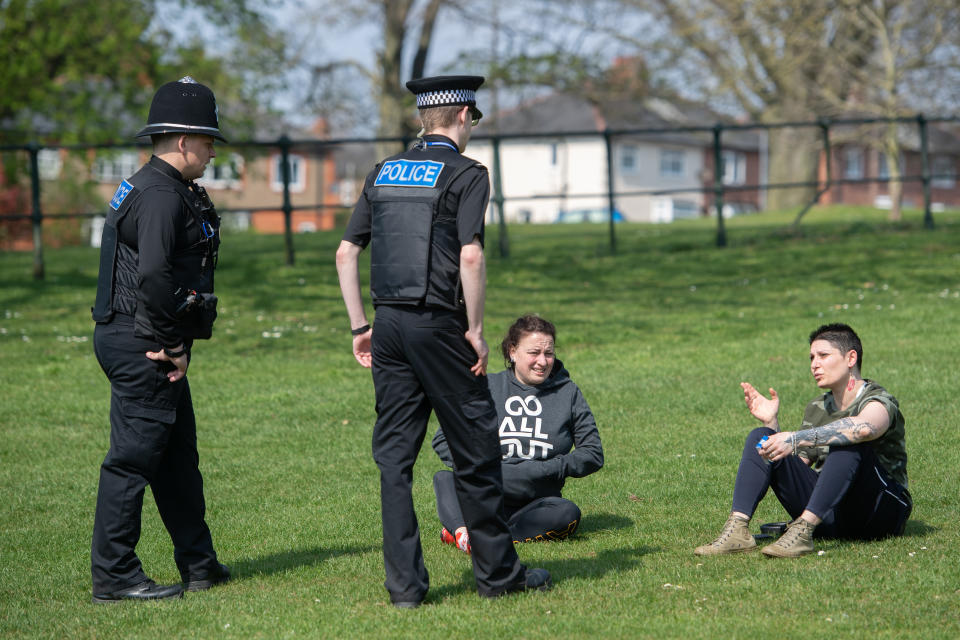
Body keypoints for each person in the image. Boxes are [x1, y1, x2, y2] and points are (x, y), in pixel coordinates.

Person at [335, 75, 551, 608]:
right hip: (439, 326)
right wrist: (475, 332)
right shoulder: (468, 173)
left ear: (421, 120)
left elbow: (345, 253)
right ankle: (499, 577)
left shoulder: (382, 172)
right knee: (475, 451)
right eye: (472, 120)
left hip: (386, 326)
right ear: (462, 117)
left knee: (394, 460)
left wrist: (361, 327)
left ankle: (404, 588)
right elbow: (471, 256)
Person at [90, 77, 231, 602]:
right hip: (142, 342)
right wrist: (172, 344)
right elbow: (152, 277)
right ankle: (114, 575)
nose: (213, 149)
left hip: (140, 335)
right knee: (131, 460)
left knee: (175, 457)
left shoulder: (155, 186)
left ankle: (199, 564)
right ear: (181, 140)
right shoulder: (160, 197)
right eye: (208, 139)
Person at [694, 323, 912, 558]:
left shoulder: (878, 399)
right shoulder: (818, 407)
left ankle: (803, 530)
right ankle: (737, 529)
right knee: (760, 436)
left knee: (847, 440)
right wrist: (773, 427)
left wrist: (795, 438)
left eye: (823, 355)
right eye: (811, 357)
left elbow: (865, 429)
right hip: (833, 514)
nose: (814, 364)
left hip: (880, 512)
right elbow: (796, 466)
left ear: (851, 358)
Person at [432, 315, 603, 553]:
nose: (542, 362)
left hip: (535, 503)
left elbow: (592, 454)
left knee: (568, 514)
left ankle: (486, 538)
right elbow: (443, 438)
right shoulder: (486, 387)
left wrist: (546, 469)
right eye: (534, 352)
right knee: (445, 479)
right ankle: (463, 533)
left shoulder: (568, 393)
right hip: (484, 494)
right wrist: (483, 466)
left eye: (549, 353)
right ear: (513, 352)